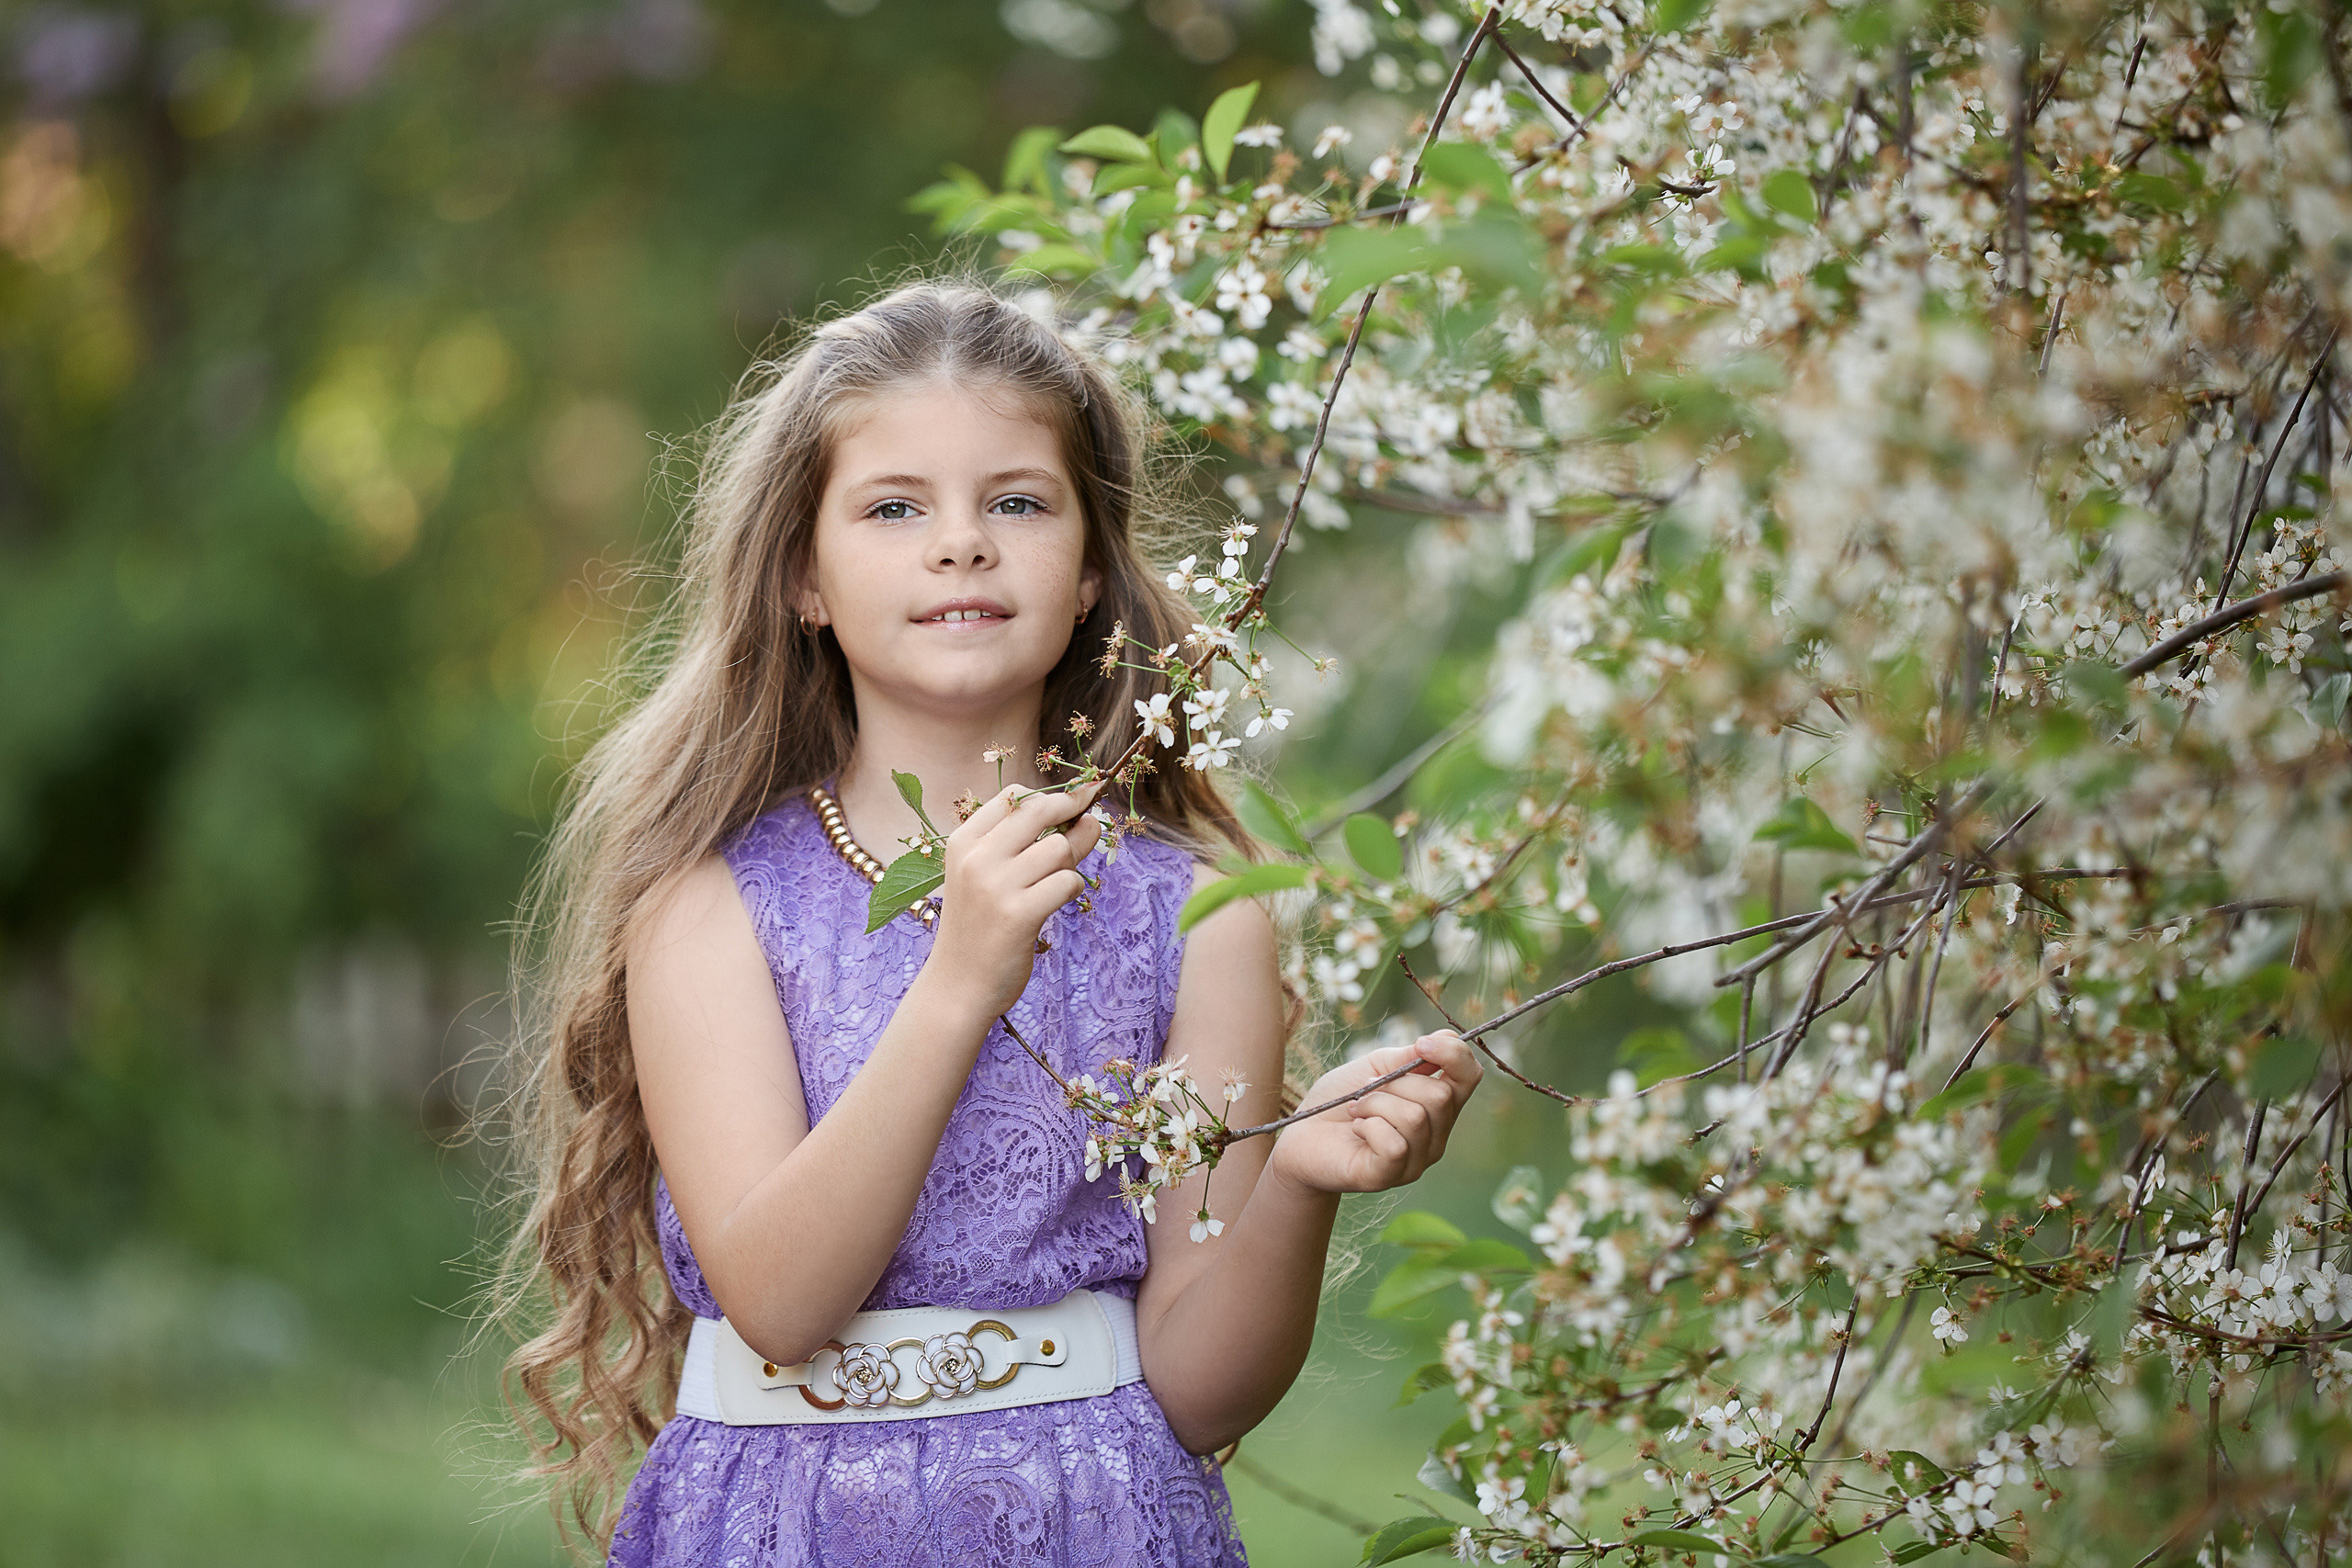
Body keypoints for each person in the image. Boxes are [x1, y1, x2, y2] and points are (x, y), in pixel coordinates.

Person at [492, 280, 1483, 1567]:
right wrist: (960, 980)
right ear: (803, 575)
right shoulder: (713, 904)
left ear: (1085, 575)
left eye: (1016, 502)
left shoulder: (1198, 916)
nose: (961, 543)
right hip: (791, 1526)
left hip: (1103, 1519)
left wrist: (1296, 1177)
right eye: (895, 507)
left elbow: (1201, 1389)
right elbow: (783, 1304)